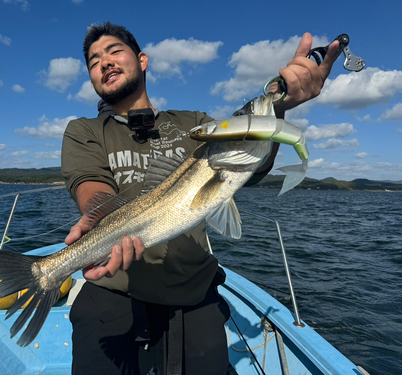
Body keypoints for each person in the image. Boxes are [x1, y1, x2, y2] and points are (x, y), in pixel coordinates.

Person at [61, 22, 339, 375]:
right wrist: (100, 220)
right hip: (113, 285)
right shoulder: (83, 130)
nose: (104, 62)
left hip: (193, 289)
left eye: (114, 51)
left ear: (142, 59)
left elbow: (252, 159)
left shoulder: (196, 125)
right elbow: (91, 186)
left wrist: (279, 106)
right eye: (93, 61)